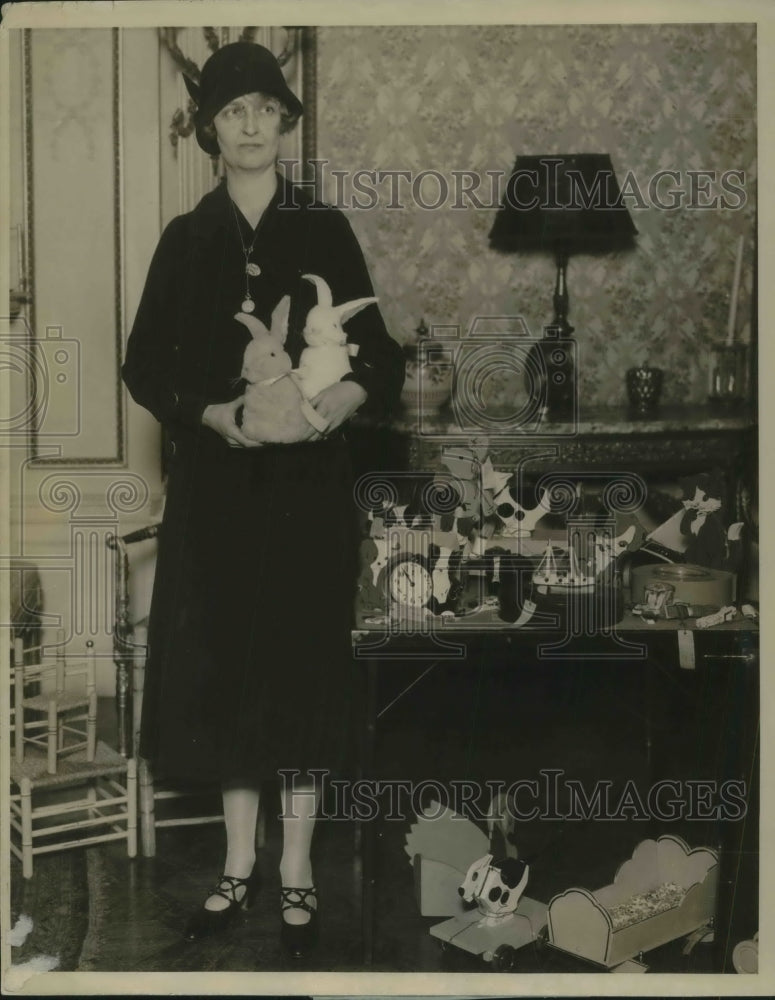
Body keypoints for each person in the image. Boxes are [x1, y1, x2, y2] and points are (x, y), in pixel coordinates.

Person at [122, 41, 404, 958]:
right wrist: (211, 412)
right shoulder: (184, 238)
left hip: (306, 499)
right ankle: (236, 866)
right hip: (215, 499)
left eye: (263, 110)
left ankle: (296, 870)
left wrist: (339, 403)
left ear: (284, 123)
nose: (249, 125)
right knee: (228, 687)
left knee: (299, 680)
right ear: (209, 128)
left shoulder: (323, 229)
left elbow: (380, 358)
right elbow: (142, 369)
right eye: (231, 110)